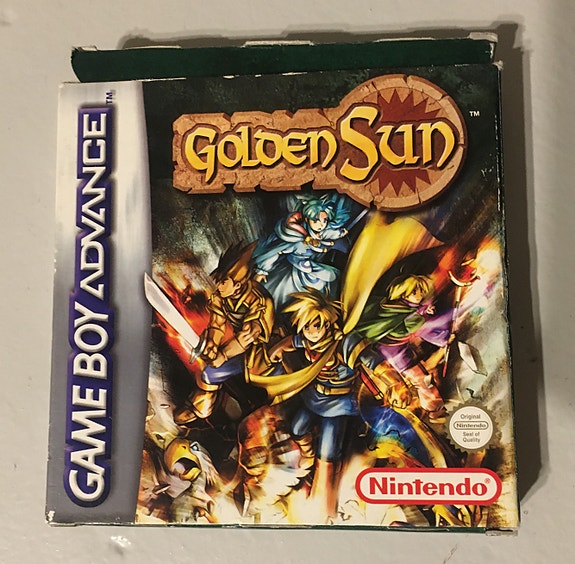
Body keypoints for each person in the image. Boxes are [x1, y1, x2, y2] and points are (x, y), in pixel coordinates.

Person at [174, 242, 274, 424]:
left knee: (211, 372)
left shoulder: (259, 300)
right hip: (238, 346)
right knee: (208, 365)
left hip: (263, 351)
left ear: (238, 284)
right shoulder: (221, 296)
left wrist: (224, 355)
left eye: (223, 282)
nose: (218, 286)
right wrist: (212, 343)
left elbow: (248, 336)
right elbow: (217, 324)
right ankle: (211, 401)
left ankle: (204, 405)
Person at [355, 274, 451, 420]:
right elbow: (419, 327)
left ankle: (434, 408)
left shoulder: (398, 308)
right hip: (397, 355)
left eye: (420, 291)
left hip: (396, 352)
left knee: (422, 379)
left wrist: (425, 310)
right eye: (415, 292)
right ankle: (434, 409)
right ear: (404, 293)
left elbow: (414, 313)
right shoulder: (400, 312)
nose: (420, 295)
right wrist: (443, 340)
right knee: (422, 380)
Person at [252, 193, 351, 309]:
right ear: (307, 219)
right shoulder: (297, 238)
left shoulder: (320, 232)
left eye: (324, 221)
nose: (321, 225)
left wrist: (340, 233)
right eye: (316, 221)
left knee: (332, 276)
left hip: (312, 270)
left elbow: (329, 233)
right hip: (296, 271)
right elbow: (276, 251)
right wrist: (262, 271)